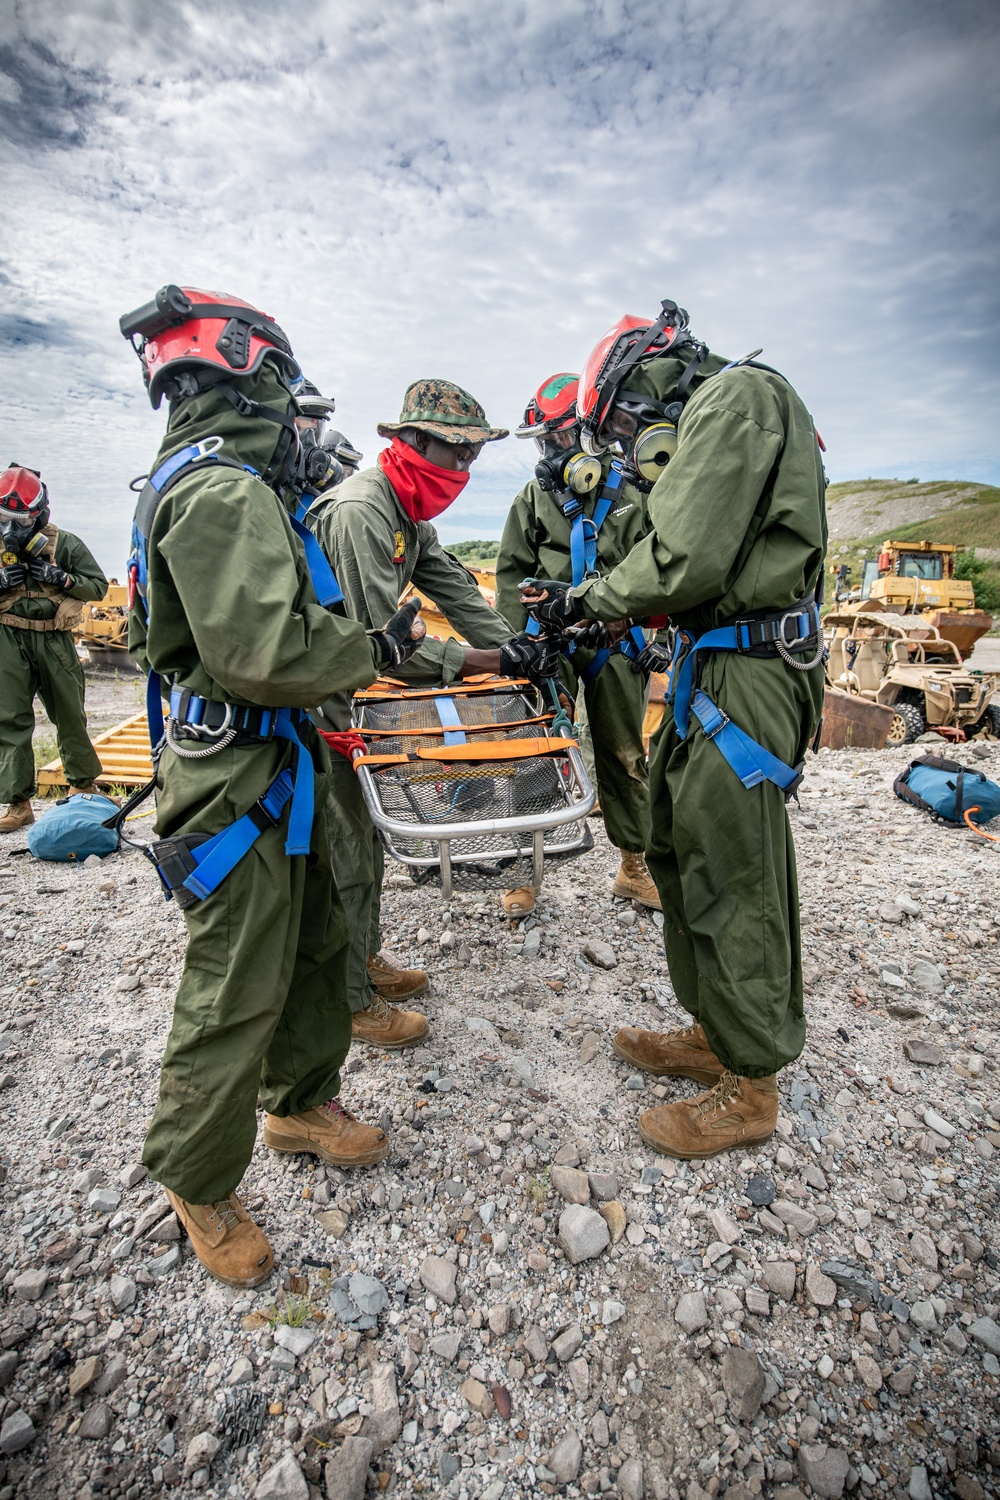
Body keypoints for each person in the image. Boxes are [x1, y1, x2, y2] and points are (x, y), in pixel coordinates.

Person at [118, 283, 426, 1287]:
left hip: (275, 757)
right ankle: (196, 1174)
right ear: (253, 373)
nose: (301, 420)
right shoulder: (219, 493)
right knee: (234, 980)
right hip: (239, 768)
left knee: (311, 942)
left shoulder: (225, 483)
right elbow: (263, 650)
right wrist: (368, 648)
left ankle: (300, 1101)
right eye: (290, 394)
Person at [521, 300, 827, 1159]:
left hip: (752, 671)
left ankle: (752, 1084)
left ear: (650, 374)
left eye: (618, 419)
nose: (623, 443)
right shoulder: (709, 423)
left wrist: (591, 601)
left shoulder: (736, 399)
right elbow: (672, 548)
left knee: (735, 867)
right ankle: (717, 1033)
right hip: (713, 662)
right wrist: (603, 605)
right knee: (678, 846)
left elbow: (685, 554)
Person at [306, 378, 559, 1042]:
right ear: (413, 442)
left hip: (346, 695)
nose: (465, 470)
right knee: (343, 852)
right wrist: (486, 665)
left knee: (360, 841)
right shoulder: (362, 513)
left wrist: (517, 647)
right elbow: (378, 646)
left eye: (474, 456)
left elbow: (452, 586)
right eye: (457, 452)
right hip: (321, 703)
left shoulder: (406, 511)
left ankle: (359, 959)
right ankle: (350, 999)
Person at [495, 373, 660, 910]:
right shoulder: (531, 499)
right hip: (551, 642)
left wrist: (637, 623)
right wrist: (517, 649)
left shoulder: (636, 490)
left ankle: (635, 865)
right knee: (535, 753)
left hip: (617, 641)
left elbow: (658, 565)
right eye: (544, 441)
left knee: (626, 755)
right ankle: (525, 870)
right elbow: (511, 577)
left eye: (561, 438)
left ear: (590, 433)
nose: (552, 451)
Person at [0, 466, 108, 832]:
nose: (13, 529)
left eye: (22, 520)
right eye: (5, 519)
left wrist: (63, 578)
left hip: (53, 638)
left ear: (40, 513)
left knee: (69, 713)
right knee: (9, 719)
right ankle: (18, 804)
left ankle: (84, 787)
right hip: (7, 637)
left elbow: (97, 587)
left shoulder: (65, 544)